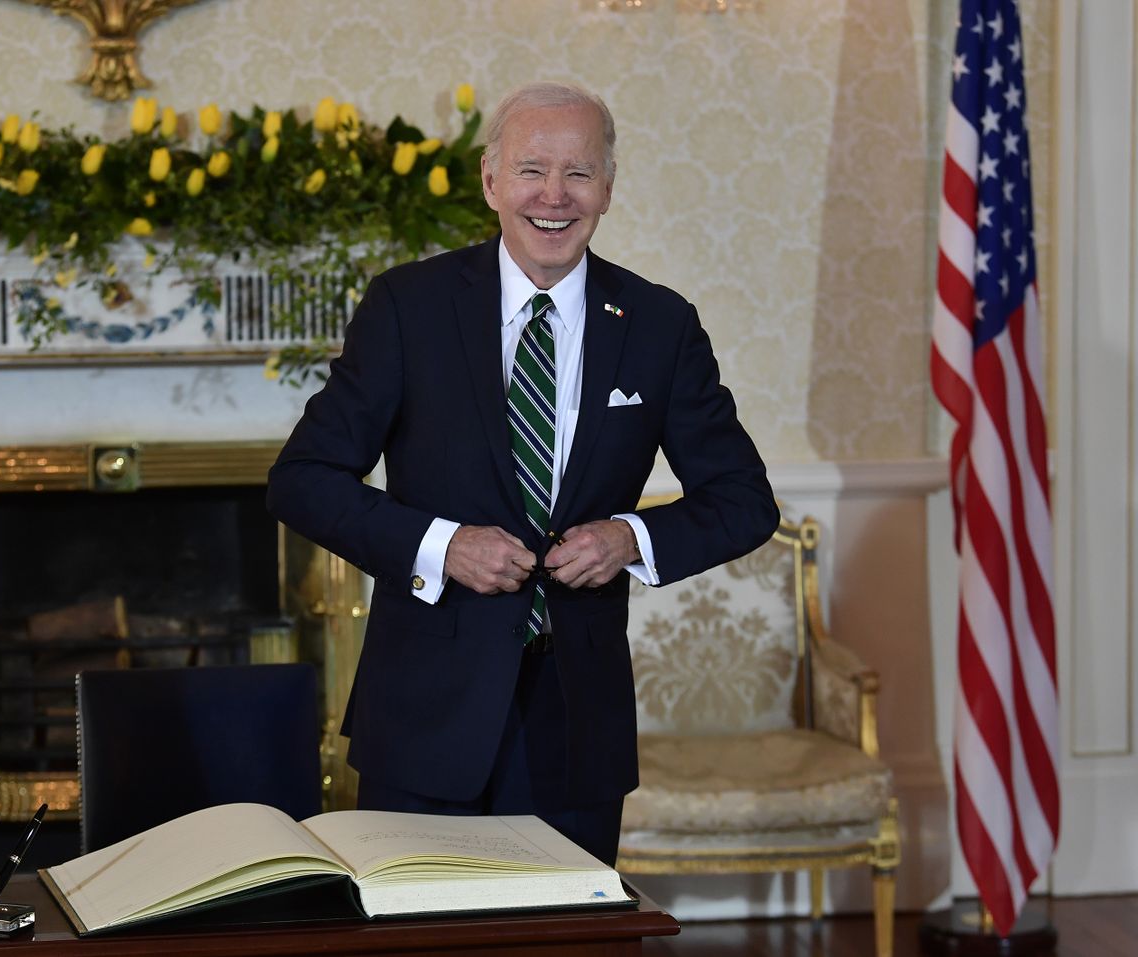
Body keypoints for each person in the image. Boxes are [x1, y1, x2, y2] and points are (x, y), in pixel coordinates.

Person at [267, 81, 778, 866]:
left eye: (578, 173)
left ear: (607, 188)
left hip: (576, 728)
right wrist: (441, 545)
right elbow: (302, 478)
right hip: (423, 719)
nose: (553, 195)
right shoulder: (409, 307)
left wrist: (628, 537)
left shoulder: (658, 324)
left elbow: (745, 501)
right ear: (491, 182)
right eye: (531, 169)